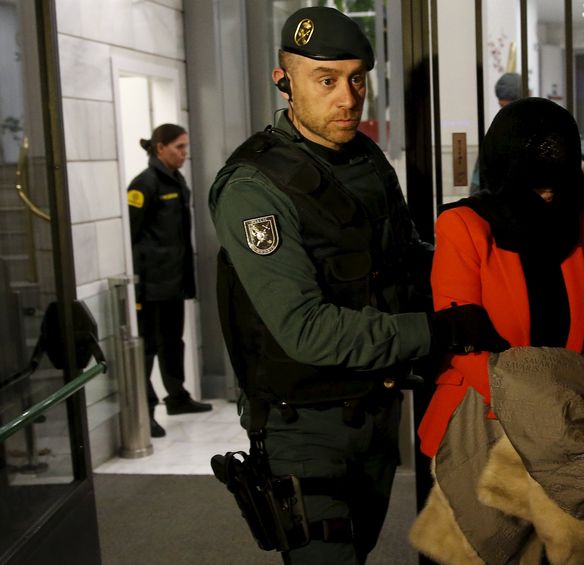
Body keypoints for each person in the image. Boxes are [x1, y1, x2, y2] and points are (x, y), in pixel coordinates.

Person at [207, 7, 507, 564]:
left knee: (361, 547)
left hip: (374, 411)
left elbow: (405, 259)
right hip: (305, 426)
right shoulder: (254, 187)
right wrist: (437, 330)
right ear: (284, 81)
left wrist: (480, 262)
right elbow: (305, 330)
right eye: (326, 81)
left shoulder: (365, 158)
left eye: (357, 79)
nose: (347, 98)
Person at [410, 98, 584, 564]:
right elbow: (462, 342)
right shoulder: (463, 225)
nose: (547, 197)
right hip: (481, 421)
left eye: (556, 184)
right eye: (535, 185)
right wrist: (539, 411)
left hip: (564, 428)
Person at [127, 124, 212, 439]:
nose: (184, 154)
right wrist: (139, 282)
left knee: (173, 343)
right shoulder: (144, 184)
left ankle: (177, 397)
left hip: (174, 282)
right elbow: (131, 238)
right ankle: (145, 411)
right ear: (159, 147)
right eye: (178, 147)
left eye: (186, 147)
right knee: (147, 349)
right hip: (150, 286)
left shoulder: (177, 181)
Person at [469, 72, 584, 194]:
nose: (508, 115)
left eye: (512, 107)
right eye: (503, 108)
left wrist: (566, 170)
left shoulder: (552, 129)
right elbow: (478, 185)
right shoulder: (496, 138)